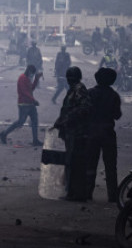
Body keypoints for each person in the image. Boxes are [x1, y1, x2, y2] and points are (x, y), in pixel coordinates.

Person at [52, 66, 92, 201]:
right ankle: (72, 192)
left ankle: (76, 194)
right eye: (68, 77)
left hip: (77, 133)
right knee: (71, 163)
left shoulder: (80, 89)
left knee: (75, 164)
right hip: (71, 132)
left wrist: (67, 119)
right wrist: (59, 121)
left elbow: (84, 108)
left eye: (71, 77)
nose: (69, 80)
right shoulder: (73, 89)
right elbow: (67, 109)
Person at [85, 66, 122, 203]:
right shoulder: (114, 96)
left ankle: (88, 192)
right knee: (111, 166)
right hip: (108, 133)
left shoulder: (90, 93)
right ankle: (112, 196)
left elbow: (84, 112)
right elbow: (117, 115)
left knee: (90, 164)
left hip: (92, 132)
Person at [0, 64, 43, 146]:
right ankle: (4, 133)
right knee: (20, 122)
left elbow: (31, 89)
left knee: (34, 121)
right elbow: (24, 92)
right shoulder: (22, 78)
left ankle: (35, 140)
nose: (32, 75)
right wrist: (34, 100)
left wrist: (36, 79)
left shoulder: (27, 78)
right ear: (29, 71)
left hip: (30, 104)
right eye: (32, 73)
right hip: (23, 104)